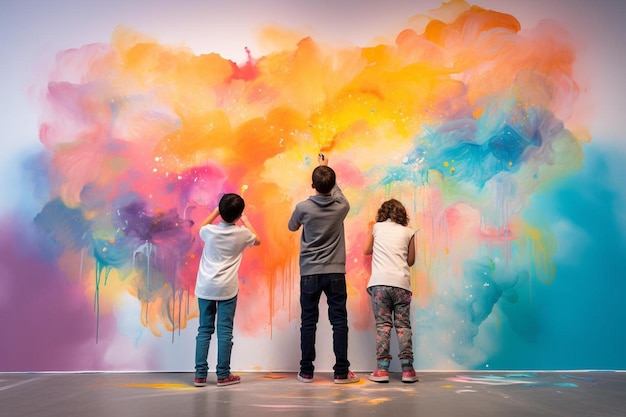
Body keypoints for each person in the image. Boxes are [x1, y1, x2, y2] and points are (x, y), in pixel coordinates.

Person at [288, 154, 359, 384]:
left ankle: (306, 371)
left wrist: (321, 169)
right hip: (336, 272)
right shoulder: (342, 207)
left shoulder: (303, 208)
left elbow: (292, 226)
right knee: (339, 321)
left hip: (309, 272)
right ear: (333, 185)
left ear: (313, 185)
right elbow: (338, 193)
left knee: (309, 321)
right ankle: (341, 372)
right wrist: (327, 169)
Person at [193, 193, 261, 387]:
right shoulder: (242, 233)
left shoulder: (209, 231)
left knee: (204, 330)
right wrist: (246, 220)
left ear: (220, 212)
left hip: (205, 287)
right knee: (225, 331)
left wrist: (215, 212)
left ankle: (200, 375)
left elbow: (200, 227)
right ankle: (223, 375)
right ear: (239, 213)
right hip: (227, 289)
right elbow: (258, 240)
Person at [364, 198, 419, 383]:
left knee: (383, 326)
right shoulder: (409, 232)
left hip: (380, 284)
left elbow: (366, 250)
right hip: (402, 285)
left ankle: (382, 370)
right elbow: (410, 261)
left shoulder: (377, 227)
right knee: (403, 326)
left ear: (383, 213)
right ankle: (408, 369)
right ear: (402, 214)